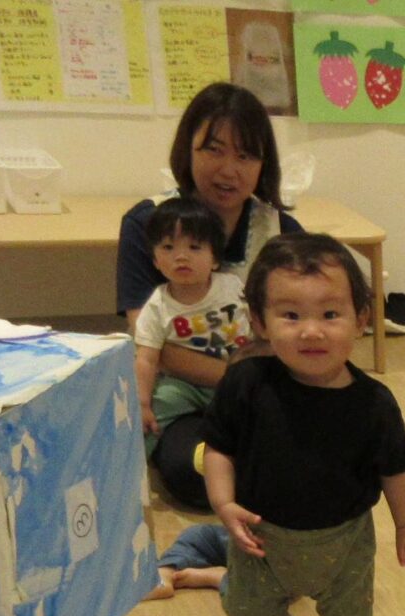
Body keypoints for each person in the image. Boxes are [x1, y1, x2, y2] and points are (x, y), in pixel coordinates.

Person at [204, 234, 405, 616]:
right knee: (243, 611)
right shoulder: (246, 383)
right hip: (261, 540)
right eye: (290, 315)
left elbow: (396, 470)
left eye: (330, 314)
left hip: (345, 544)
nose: (311, 330)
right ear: (260, 321)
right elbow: (219, 447)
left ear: (362, 319)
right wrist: (223, 502)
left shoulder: (374, 403)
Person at [120, 83, 304, 509]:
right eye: (214, 150)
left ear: (264, 164)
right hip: (182, 395)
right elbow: (153, 345)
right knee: (192, 473)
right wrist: (237, 378)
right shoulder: (150, 223)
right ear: (187, 149)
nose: (229, 170)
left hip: (261, 390)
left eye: (246, 156)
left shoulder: (281, 231)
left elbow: (300, 323)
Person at [132, 197, 252, 440]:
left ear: (215, 259)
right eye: (168, 247)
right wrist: (142, 404)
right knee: (152, 413)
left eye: (194, 247)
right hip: (183, 385)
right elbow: (146, 359)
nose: (181, 257)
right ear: (155, 260)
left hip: (234, 380)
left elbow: (259, 324)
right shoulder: (157, 305)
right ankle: (139, 456)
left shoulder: (232, 286)